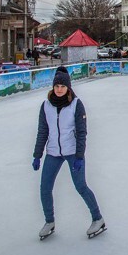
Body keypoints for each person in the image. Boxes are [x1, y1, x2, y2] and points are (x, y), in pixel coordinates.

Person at [32, 66, 104, 240]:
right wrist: (37, 155)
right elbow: (43, 131)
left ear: (68, 88)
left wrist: (79, 156)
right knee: (45, 188)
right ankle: (49, 222)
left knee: (81, 186)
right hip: (53, 152)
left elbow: (81, 132)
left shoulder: (76, 105)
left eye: (62, 86)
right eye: (56, 86)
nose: (59, 89)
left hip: (72, 152)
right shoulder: (46, 106)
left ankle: (98, 219)